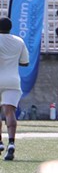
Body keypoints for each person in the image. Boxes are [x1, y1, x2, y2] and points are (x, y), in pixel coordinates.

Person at [0, 18, 31, 162]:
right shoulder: (19, 41)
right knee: (9, 111)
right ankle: (11, 143)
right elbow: (25, 62)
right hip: (12, 80)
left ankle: (0, 141)